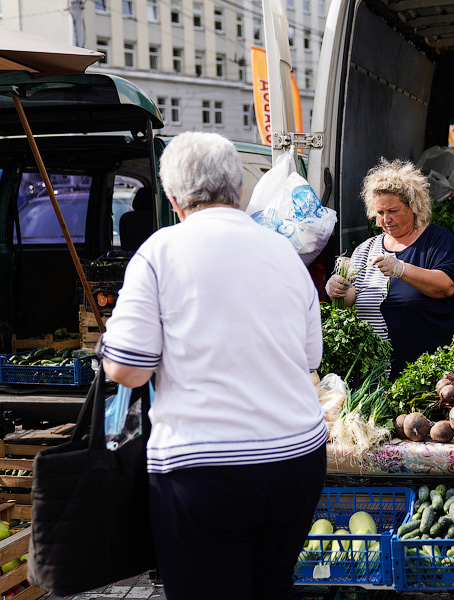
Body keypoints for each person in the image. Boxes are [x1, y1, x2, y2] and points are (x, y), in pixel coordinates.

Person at [99, 132, 327, 600]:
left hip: (203, 471)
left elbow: (126, 371)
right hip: (295, 461)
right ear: (239, 191)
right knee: (271, 588)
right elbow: (309, 360)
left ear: (173, 197)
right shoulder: (284, 252)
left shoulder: (160, 253)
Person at [325, 158, 454, 377]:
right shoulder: (366, 250)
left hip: (434, 370)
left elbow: (447, 287)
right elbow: (351, 298)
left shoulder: (436, 240)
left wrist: (402, 270)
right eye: (380, 213)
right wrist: (337, 289)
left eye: (393, 211)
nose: (386, 219)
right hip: (377, 372)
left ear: (413, 205)